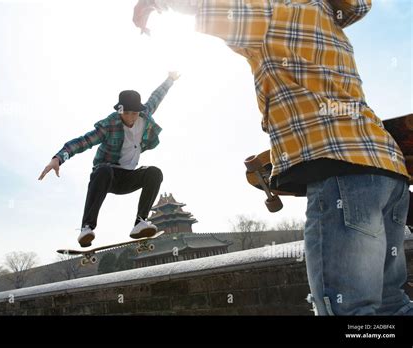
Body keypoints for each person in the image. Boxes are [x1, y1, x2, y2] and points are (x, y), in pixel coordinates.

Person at [133, 0, 412, 315]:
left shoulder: (271, 13)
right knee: (392, 303)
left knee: (346, 307)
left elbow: (208, 10)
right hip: (388, 171)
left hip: (340, 174)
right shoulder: (323, 14)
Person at [39, 72, 180, 247]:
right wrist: (58, 158)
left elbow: (157, 96)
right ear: (120, 110)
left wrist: (170, 79)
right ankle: (87, 228)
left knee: (154, 173)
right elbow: (83, 142)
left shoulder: (145, 115)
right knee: (103, 170)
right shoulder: (109, 125)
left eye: (134, 114)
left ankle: (140, 222)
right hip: (107, 177)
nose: (130, 118)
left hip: (129, 177)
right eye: (126, 113)